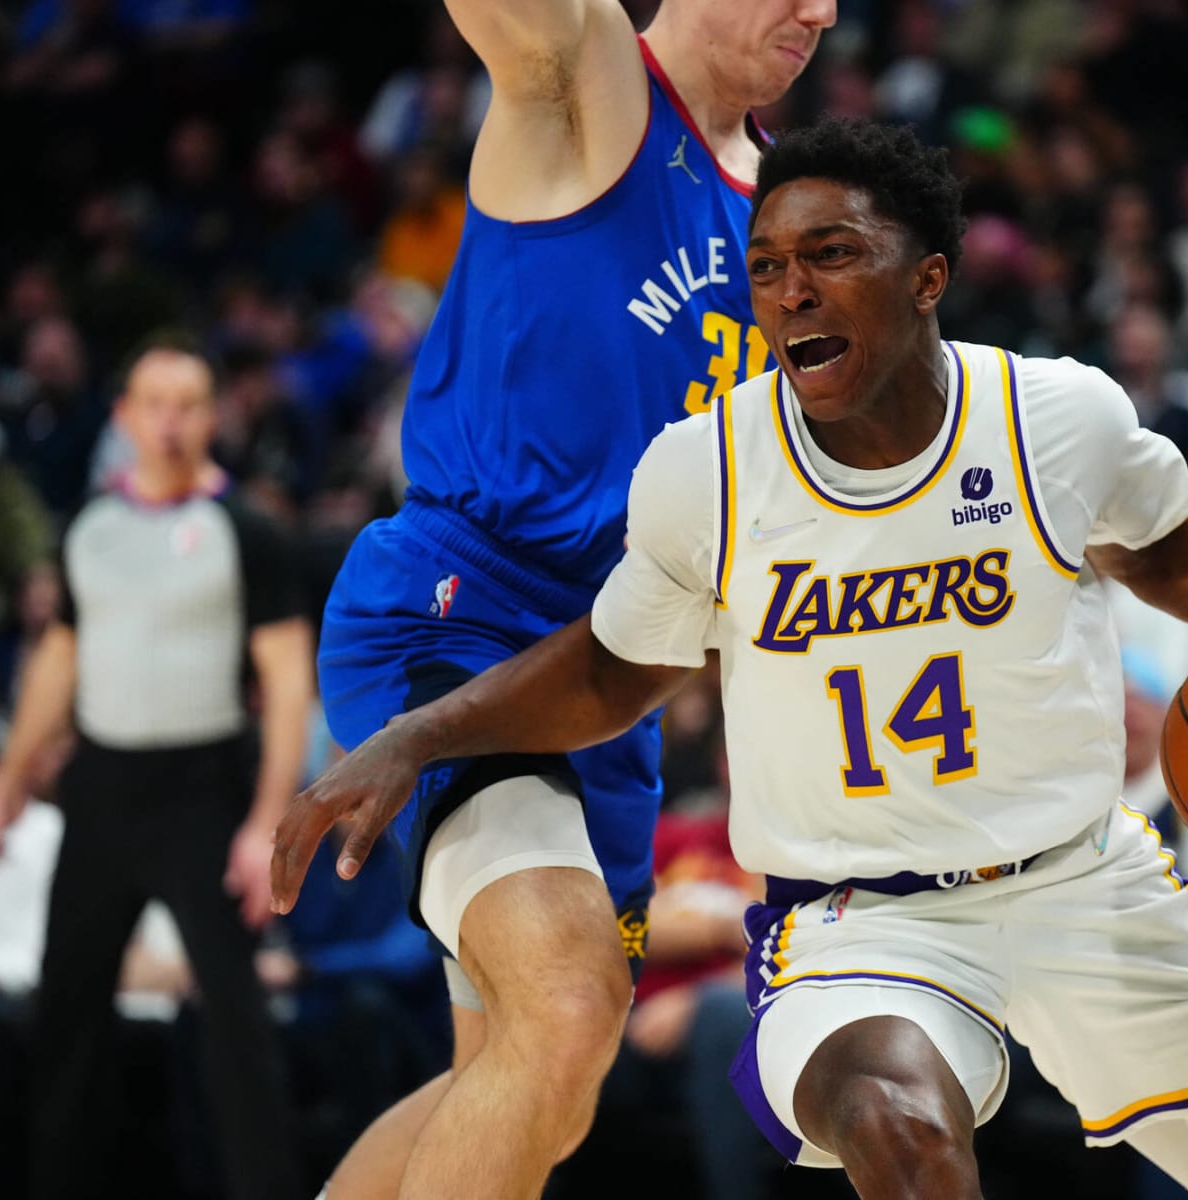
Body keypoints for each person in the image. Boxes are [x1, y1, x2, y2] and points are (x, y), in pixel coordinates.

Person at [275, 118, 1188, 1200]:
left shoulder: (1054, 417)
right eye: (767, 269)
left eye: (831, 254)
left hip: (1084, 882)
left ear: (928, 277)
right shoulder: (710, 472)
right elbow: (609, 668)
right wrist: (421, 731)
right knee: (894, 1125)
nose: (790, 291)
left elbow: (1167, 547)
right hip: (862, 926)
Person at [298, 2, 837, 1198]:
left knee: (528, 1082)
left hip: (613, 678)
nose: (822, 11)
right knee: (570, 1001)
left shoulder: (791, 215)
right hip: (461, 618)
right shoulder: (589, 86)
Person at [0, 339, 313, 1200]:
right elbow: (58, 661)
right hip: (101, 787)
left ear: (212, 416)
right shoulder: (90, 525)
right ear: (123, 415)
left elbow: (284, 678)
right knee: (67, 1017)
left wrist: (268, 816)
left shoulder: (247, 530)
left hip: (205, 791)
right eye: (153, 403)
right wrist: (8, 787)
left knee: (236, 1025)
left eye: (190, 402)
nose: (170, 421)